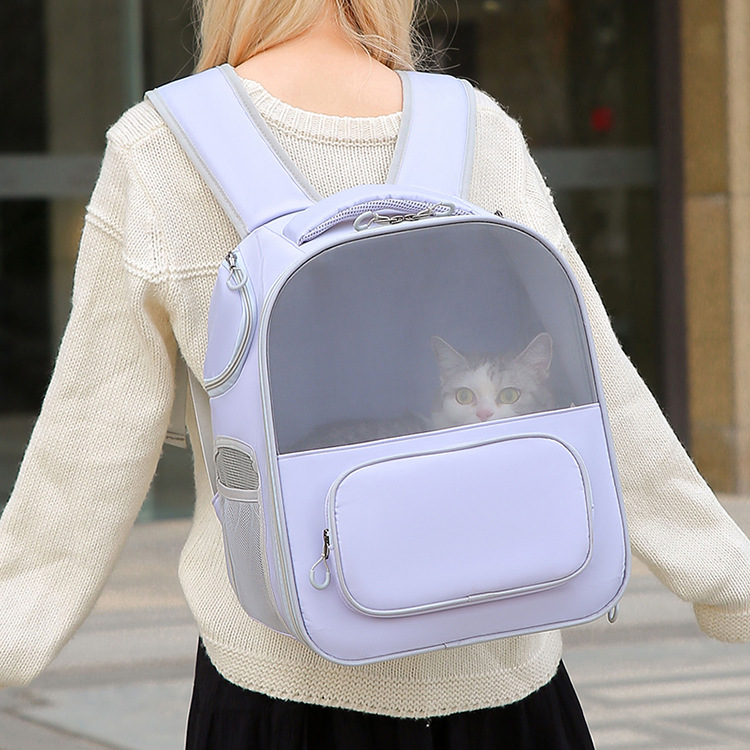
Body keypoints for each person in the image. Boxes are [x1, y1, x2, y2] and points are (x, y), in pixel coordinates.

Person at [2, 0, 750, 747]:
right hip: (501, 683)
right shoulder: (478, 129)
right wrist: (723, 579)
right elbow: (607, 395)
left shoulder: (160, 148)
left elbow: (88, 445)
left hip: (279, 688)